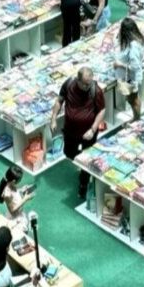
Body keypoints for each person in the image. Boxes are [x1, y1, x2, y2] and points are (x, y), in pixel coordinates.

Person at [50, 67, 105, 201]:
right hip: (70, 129)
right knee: (68, 152)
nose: (88, 86)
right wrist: (53, 119)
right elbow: (59, 100)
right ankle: (83, 165)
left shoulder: (95, 90)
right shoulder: (69, 84)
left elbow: (101, 110)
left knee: (87, 158)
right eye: (85, 83)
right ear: (78, 80)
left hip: (88, 132)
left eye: (89, 83)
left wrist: (93, 129)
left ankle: (83, 183)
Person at [113, 18, 144, 121]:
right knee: (131, 98)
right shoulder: (134, 40)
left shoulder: (133, 46)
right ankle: (136, 117)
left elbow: (134, 67)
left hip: (131, 78)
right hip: (128, 77)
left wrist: (119, 64)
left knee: (133, 100)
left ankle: (137, 119)